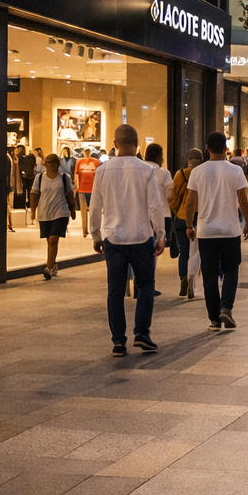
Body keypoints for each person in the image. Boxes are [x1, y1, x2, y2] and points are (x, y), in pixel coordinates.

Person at [88, 125, 169, 357]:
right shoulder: (146, 170)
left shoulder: (103, 170)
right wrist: (160, 234)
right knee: (145, 285)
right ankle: (142, 333)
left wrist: (95, 234)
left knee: (115, 291)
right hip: (140, 236)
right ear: (137, 143)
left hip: (113, 238)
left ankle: (118, 342)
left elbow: (95, 207)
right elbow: (155, 206)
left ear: (115, 143)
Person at [183, 132, 248, 331]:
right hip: (230, 230)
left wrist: (189, 225)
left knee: (209, 274)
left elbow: (190, 202)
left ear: (207, 147)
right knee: (231, 269)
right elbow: (243, 201)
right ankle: (226, 307)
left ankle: (214, 319)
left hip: (206, 231)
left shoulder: (198, 171)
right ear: (226, 148)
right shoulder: (235, 171)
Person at [31, 152, 77, 280]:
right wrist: (33, 211)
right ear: (45, 164)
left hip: (60, 212)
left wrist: (72, 208)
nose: (52, 165)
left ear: (58, 163)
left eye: (55, 162)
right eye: (49, 162)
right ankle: (53, 263)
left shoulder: (64, 177)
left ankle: (48, 267)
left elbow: (69, 193)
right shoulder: (39, 178)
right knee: (49, 241)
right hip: (45, 213)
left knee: (53, 240)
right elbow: (34, 193)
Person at [168, 149, 204, 296]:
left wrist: (176, 210)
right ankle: (191, 280)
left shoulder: (180, 174)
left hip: (181, 218)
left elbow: (172, 196)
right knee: (195, 253)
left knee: (184, 252)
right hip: (197, 216)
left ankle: (183, 278)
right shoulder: (202, 174)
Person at [75, 148, 101, 236]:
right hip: (83, 189)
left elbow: (99, 175)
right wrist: (78, 187)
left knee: (92, 211)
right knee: (85, 210)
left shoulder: (96, 162)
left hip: (92, 189)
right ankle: (85, 229)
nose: (87, 153)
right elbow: (76, 174)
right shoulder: (79, 162)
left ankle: (91, 229)